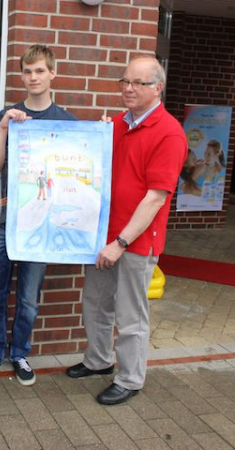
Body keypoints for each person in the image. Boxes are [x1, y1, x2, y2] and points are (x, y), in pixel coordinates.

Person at [66, 57, 187, 405]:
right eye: (125, 81)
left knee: (131, 314)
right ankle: (99, 360)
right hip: (104, 236)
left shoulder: (169, 133)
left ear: (158, 88)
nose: (128, 88)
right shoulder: (118, 124)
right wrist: (98, 138)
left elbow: (155, 198)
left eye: (138, 83)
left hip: (134, 242)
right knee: (96, 303)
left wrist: (120, 242)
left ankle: (131, 378)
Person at [0, 45, 76, 387]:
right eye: (28, 71)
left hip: (41, 224)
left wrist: (101, 135)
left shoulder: (66, 121)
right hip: (3, 222)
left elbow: (77, 168)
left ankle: (19, 353)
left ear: (52, 74)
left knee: (29, 299)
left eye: (40, 71)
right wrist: (3, 128)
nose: (33, 77)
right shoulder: (9, 114)